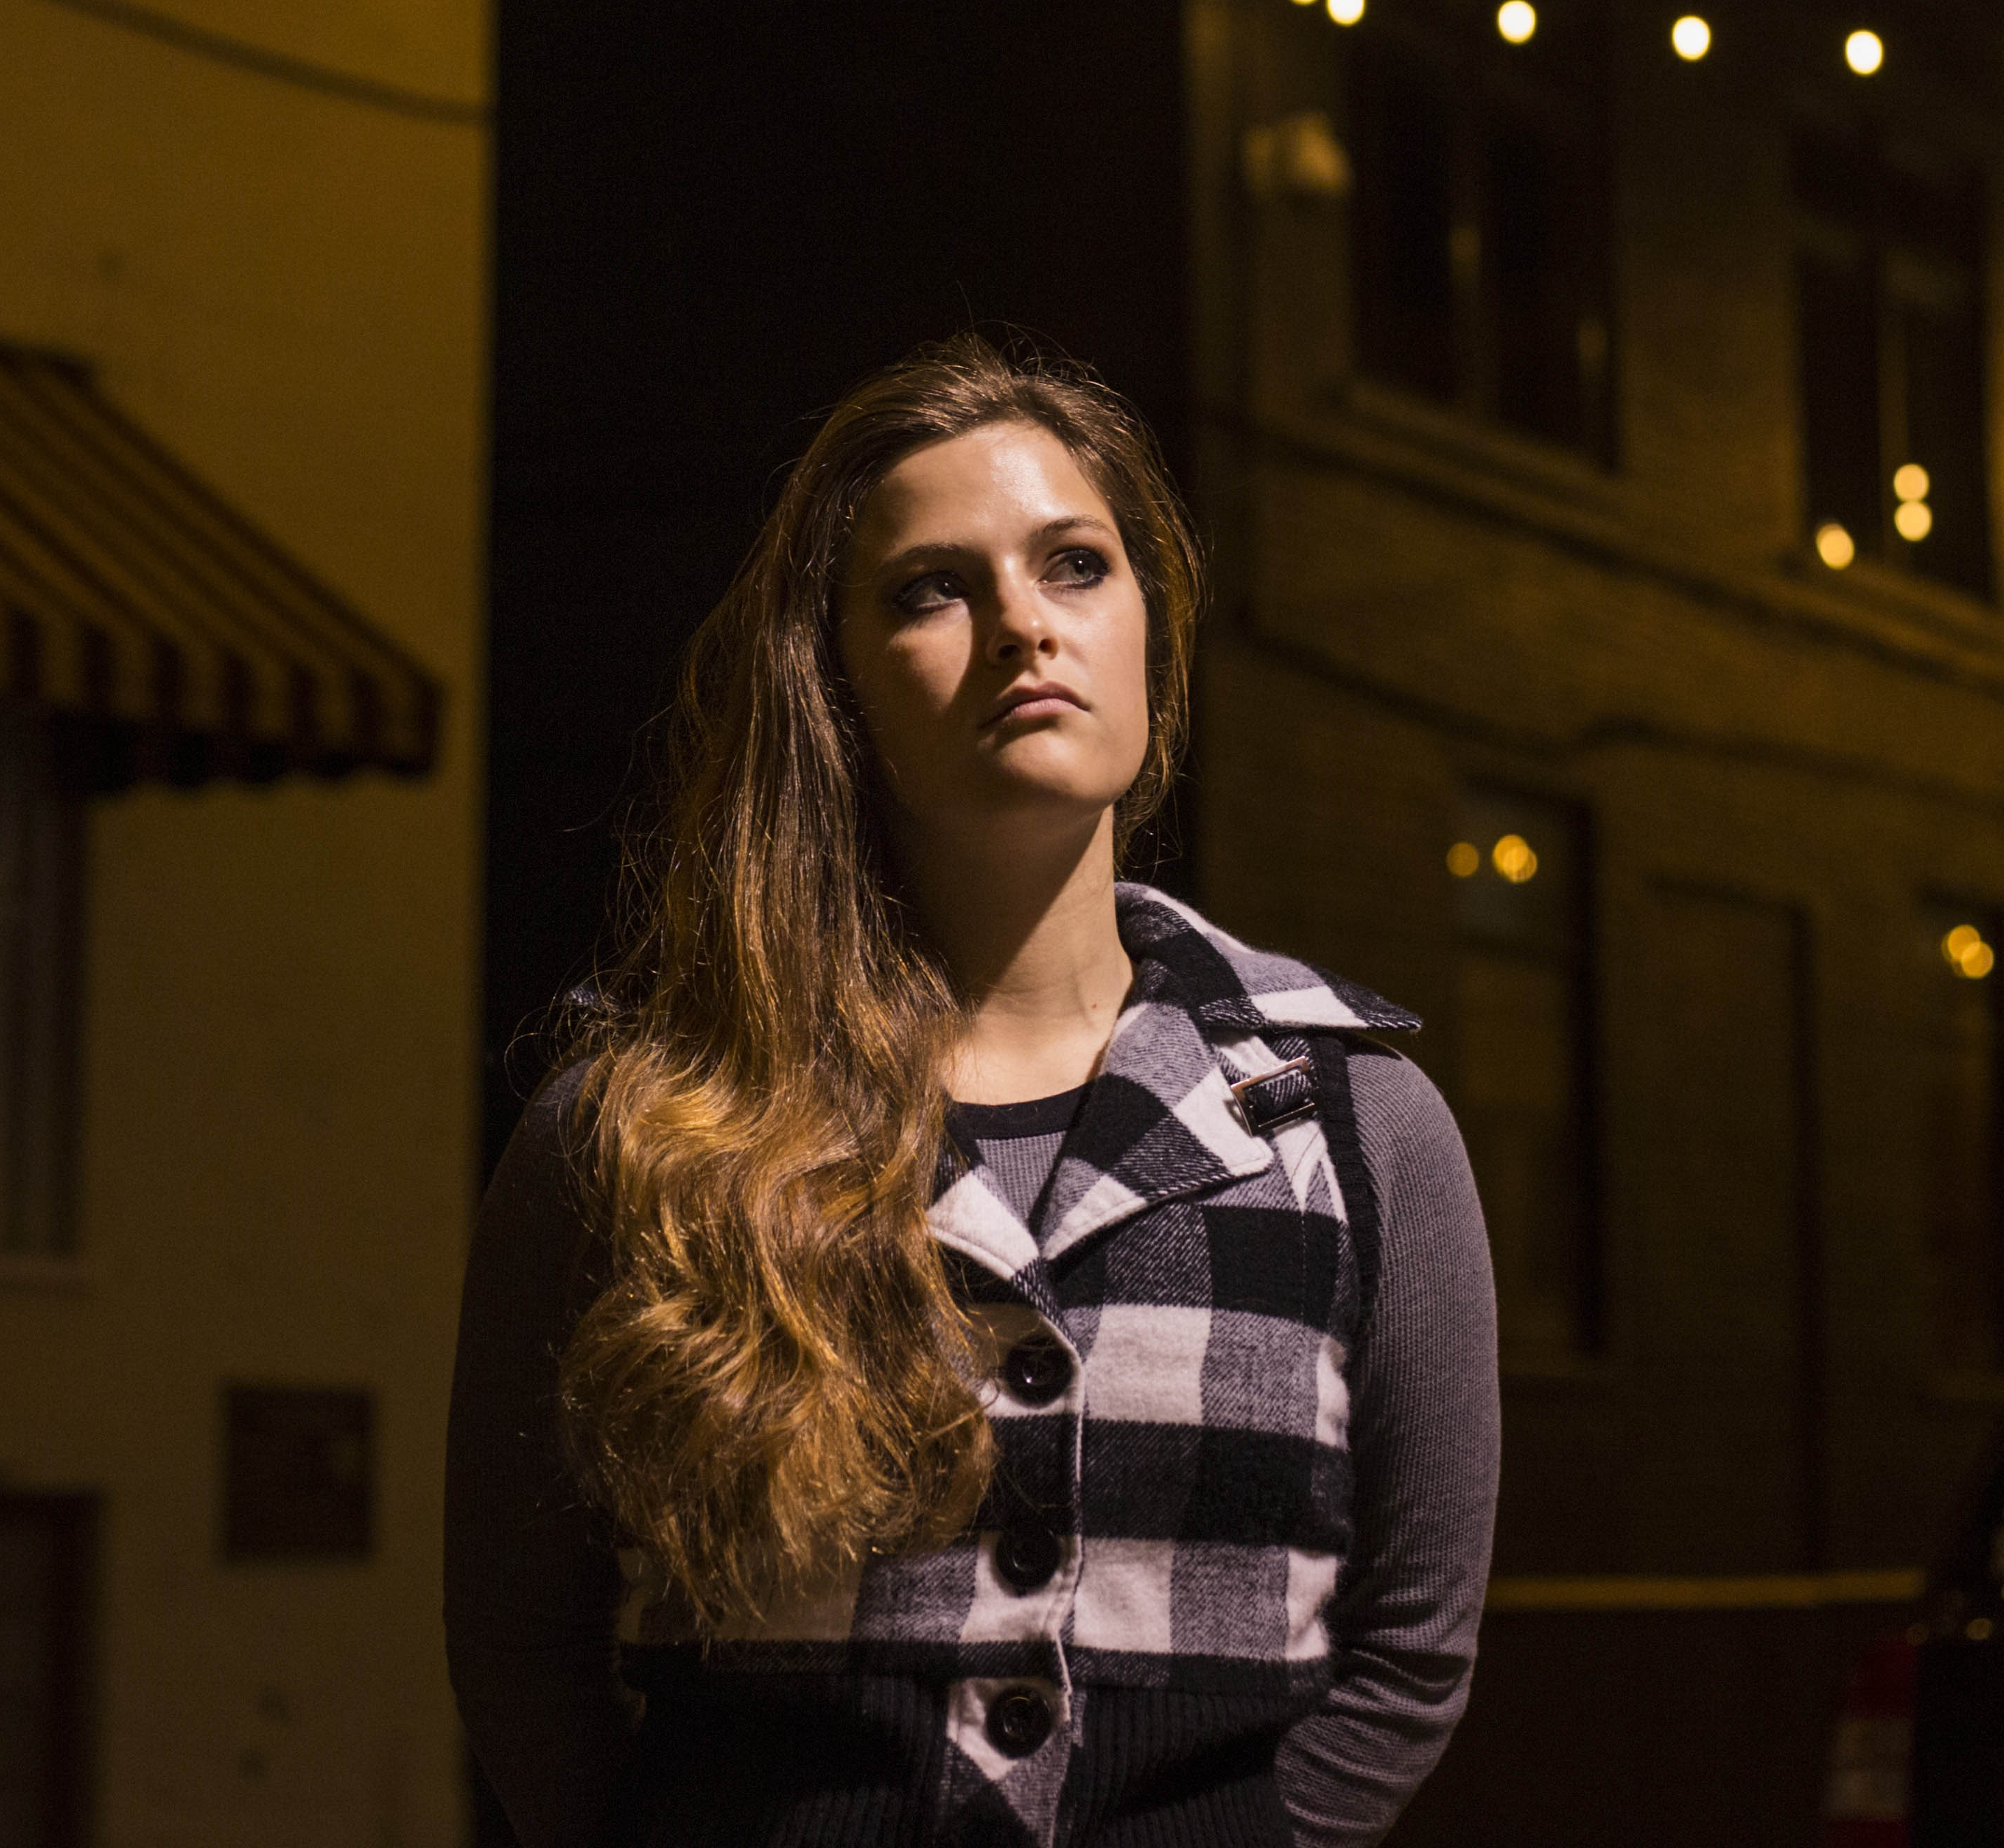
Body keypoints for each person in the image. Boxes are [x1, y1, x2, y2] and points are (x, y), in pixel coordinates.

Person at [446, 334, 1499, 1847]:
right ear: (836, 680)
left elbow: (1412, 1650)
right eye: (932, 589)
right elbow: (517, 1641)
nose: (1022, 623)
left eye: (1076, 564)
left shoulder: (1347, 1128)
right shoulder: (639, 1133)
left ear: (1153, 626)